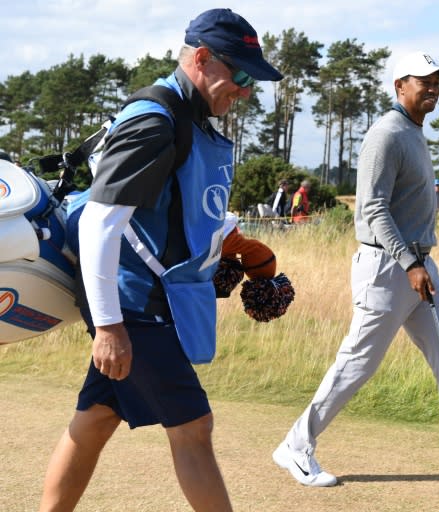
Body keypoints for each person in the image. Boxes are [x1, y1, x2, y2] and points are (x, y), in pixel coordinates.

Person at [38, 9, 282, 512]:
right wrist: (108, 327)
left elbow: (187, 212)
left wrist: (233, 252)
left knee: (95, 420)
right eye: (238, 75)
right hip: (133, 309)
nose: (245, 91)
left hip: (140, 305)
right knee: (194, 428)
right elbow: (99, 223)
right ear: (201, 58)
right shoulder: (156, 121)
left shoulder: (187, 118)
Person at [272, 50, 439, 490]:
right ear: (399, 87)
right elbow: (372, 208)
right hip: (388, 267)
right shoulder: (387, 134)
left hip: (419, 267)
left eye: (437, 81)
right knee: (357, 364)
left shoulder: (413, 132)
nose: (432, 88)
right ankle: (296, 445)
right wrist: (410, 262)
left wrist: (419, 261)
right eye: (423, 81)